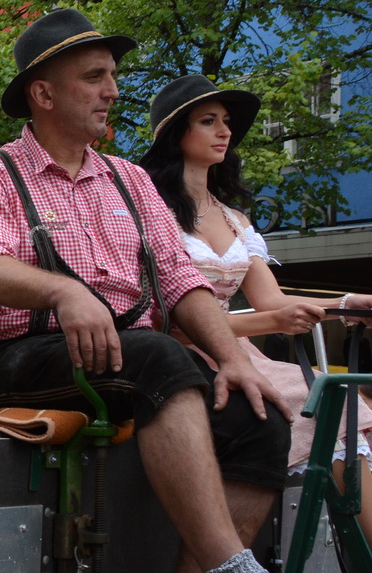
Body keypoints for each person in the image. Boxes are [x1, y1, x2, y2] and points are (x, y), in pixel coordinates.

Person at [0, 8, 372, 573]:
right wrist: (65, 293)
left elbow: (180, 282)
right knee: (158, 357)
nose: (113, 89)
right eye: (94, 77)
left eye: (114, 75)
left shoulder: (131, 181)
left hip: (127, 359)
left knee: (260, 413)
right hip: (26, 359)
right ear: (43, 93)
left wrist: (232, 355)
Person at [138, 75, 372, 545]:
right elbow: (170, 320)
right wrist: (270, 323)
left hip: (246, 354)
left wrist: (347, 304)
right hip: (182, 358)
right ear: (175, 133)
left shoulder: (235, 220)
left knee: (351, 408)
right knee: (328, 403)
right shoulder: (151, 212)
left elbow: (275, 303)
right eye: (208, 121)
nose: (224, 131)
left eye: (226, 122)